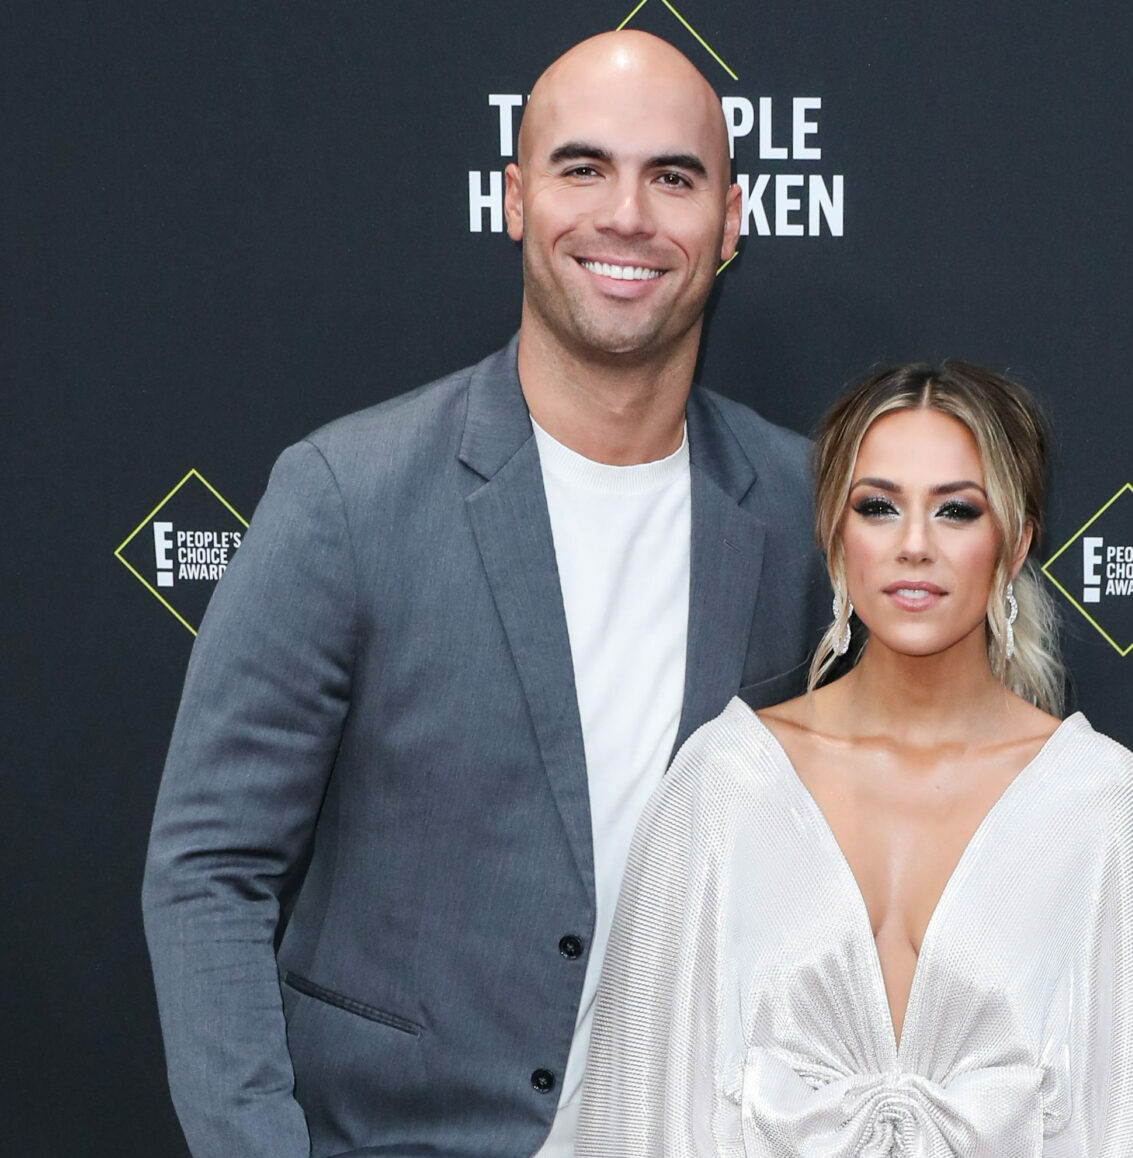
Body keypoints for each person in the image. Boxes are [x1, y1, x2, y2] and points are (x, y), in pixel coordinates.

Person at [141, 30, 824, 1158]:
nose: (626, 216)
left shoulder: (807, 511)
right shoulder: (344, 499)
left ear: (732, 221)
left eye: (673, 176)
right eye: (582, 167)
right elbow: (209, 870)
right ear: (513, 200)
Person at [575, 361, 1133, 1156]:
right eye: (878, 507)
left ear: (1014, 544)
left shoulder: (1097, 806)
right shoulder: (723, 786)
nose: (914, 545)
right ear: (834, 537)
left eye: (956, 510)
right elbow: (635, 1117)